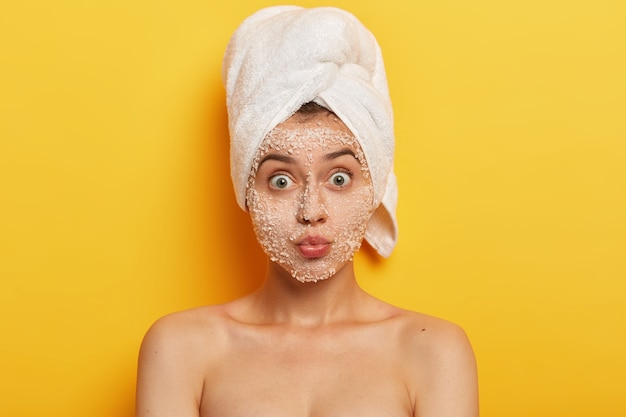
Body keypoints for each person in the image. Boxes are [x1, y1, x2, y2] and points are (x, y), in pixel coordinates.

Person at [135, 6, 478, 417]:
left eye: (339, 179)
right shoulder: (181, 349)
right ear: (246, 189)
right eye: (281, 180)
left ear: (374, 188)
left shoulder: (433, 351)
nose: (311, 211)